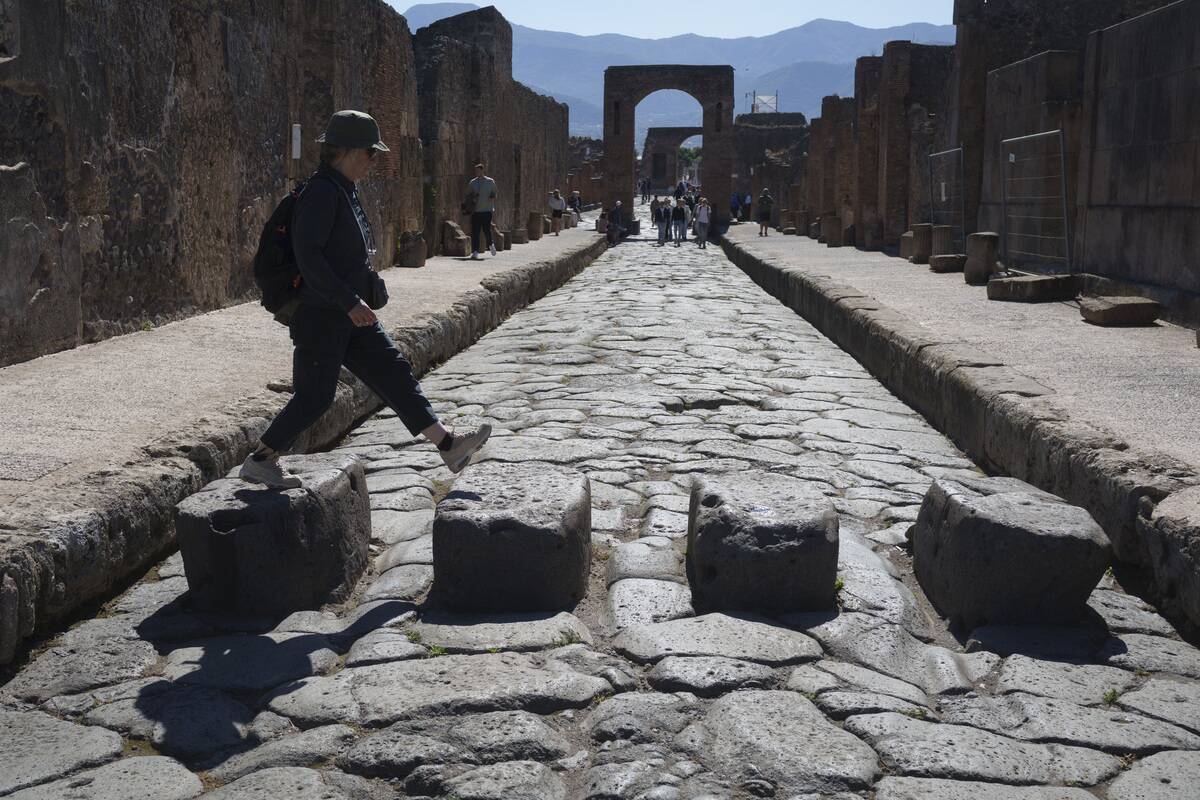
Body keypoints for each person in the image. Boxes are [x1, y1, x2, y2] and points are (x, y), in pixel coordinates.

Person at [239, 110, 491, 489]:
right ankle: (261, 459)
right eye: (371, 153)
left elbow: (346, 253)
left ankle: (449, 445)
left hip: (349, 312)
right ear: (348, 151)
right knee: (315, 397)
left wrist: (362, 293)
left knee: (393, 370)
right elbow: (309, 257)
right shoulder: (322, 192)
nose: (375, 160)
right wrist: (347, 300)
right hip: (322, 313)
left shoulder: (343, 189)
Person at [467, 163, 497, 260]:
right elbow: (468, 195)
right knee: (475, 232)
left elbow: (495, 193)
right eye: (475, 171)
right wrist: (472, 198)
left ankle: (491, 244)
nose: (477, 172)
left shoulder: (490, 181)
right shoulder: (472, 182)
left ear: (482, 171)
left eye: (478, 170)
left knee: (486, 230)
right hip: (476, 211)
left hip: (487, 210)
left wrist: (492, 197)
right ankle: (475, 251)